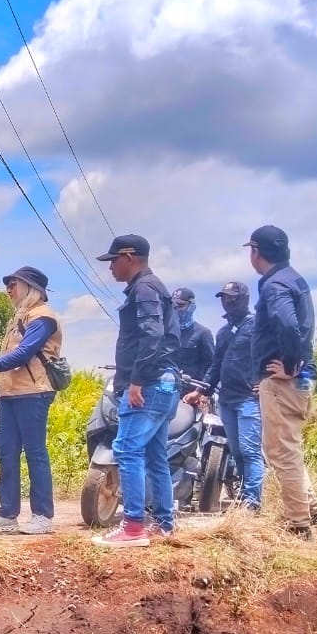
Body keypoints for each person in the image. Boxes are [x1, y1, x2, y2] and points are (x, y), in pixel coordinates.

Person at [91, 233, 181, 548]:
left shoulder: (144, 288)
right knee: (156, 455)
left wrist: (138, 380)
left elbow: (152, 334)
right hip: (166, 382)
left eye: (113, 261)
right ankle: (164, 525)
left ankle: (132, 527)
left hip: (149, 383)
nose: (110, 267)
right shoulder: (153, 287)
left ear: (129, 258)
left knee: (127, 449)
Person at [0, 266, 62, 535]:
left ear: (31, 287)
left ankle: (42, 515)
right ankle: (7, 513)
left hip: (34, 393)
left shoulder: (43, 317)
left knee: (35, 453)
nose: (8, 290)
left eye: (13, 284)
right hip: (10, 395)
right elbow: (10, 368)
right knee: (7, 453)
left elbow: (23, 355)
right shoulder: (19, 317)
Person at [245, 225, 317, 538]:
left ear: (256, 252)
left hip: (284, 379)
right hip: (301, 378)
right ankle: (314, 509)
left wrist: (292, 365)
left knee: (281, 451)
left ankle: (298, 523)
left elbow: (286, 323)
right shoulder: (294, 279)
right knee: (288, 445)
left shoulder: (274, 285)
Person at [184, 281, 264, 511]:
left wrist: (267, 381)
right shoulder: (224, 332)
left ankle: (253, 503)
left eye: (232, 298)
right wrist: (199, 391)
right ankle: (245, 498)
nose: (227, 302)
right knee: (238, 452)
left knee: (250, 451)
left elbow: (271, 355)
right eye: (224, 298)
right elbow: (215, 367)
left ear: (244, 299)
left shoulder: (257, 326)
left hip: (249, 400)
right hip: (227, 401)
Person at [171, 287, 215, 383]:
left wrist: (202, 393)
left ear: (191, 306)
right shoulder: (164, 332)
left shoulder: (203, 333)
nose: (176, 309)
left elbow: (211, 367)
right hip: (165, 390)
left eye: (180, 305)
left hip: (190, 392)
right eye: (173, 306)